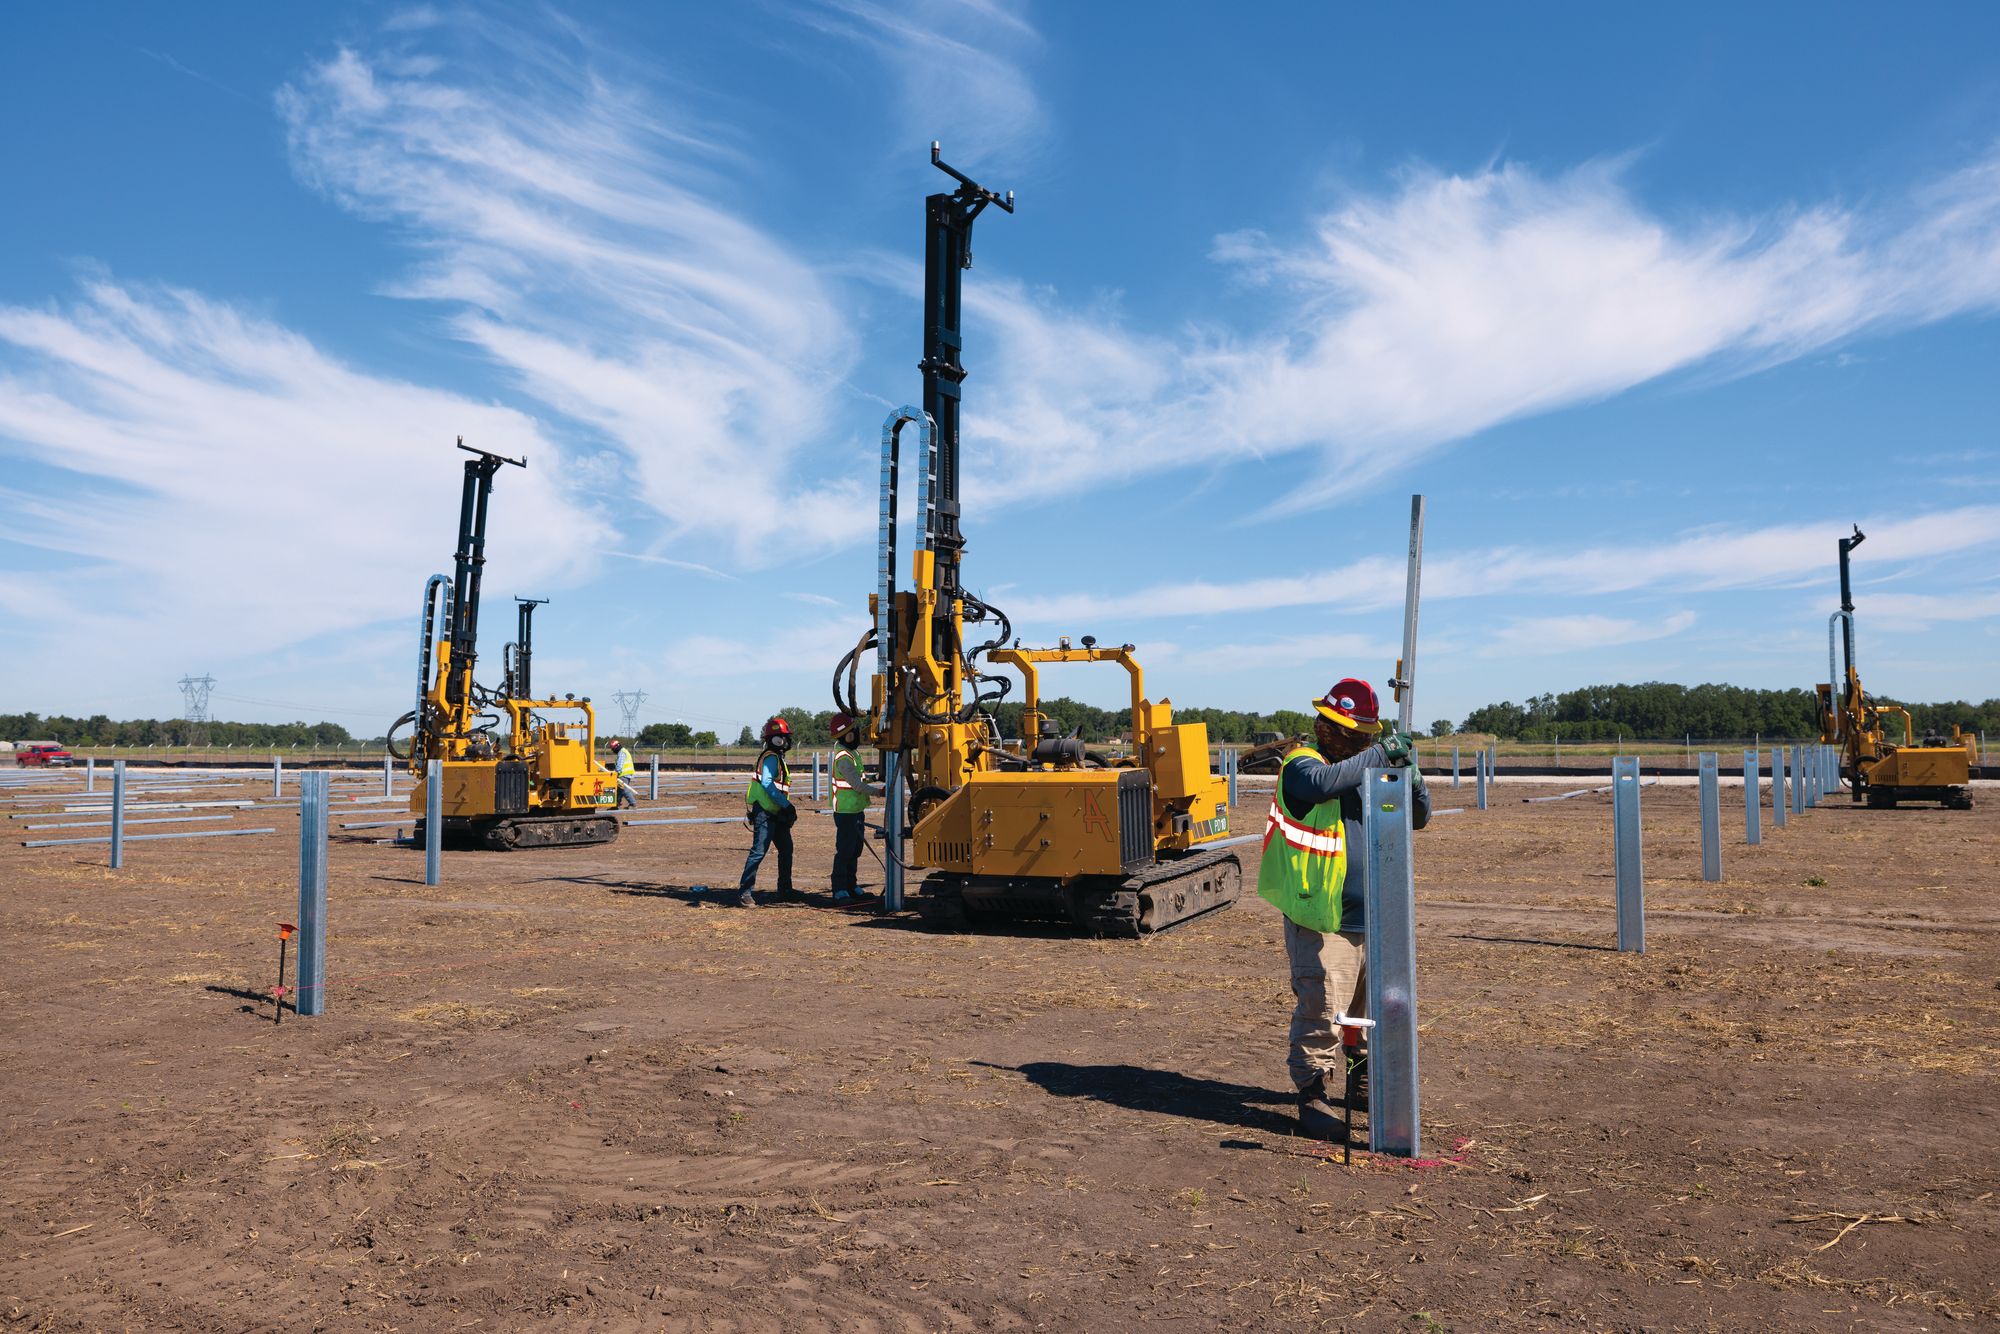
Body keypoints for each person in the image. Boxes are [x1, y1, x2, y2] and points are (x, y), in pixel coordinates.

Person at [1260, 677, 1430, 1140]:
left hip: (1375, 916)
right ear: (1325, 727)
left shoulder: (1364, 770)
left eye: (1368, 738)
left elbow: (1417, 818)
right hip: (1322, 916)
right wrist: (1379, 756)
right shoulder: (1302, 765)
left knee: (1370, 1011)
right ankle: (1313, 1092)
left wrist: (1412, 781)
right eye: (1355, 736)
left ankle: (1361, 1081)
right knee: (1322, 1010)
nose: (1361, 745)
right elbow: (1322, 785)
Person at [736, 715, 796, 907]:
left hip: (776, 811)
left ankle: (785, 890)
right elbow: (768, 784)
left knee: (786, 849)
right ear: (776, 739)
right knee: (759, 851)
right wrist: (787, 805)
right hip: (765, 812)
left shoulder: (777, 758)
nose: (786, 740)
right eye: (783, 736)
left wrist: (784, 807)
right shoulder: (771, 757)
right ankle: (745, 893)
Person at [827, 713, 882, 904]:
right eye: (854, 731)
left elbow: (860, 778)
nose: (858, 734)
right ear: (847, 735)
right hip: (846, 811)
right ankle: (839, 889)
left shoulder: (852, 754)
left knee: (855, 850)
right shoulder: (843, 757)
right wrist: (879, 792)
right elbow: (856, 785)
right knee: (845, 851)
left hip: (856, 810)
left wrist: (875, 778)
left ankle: (851, 886)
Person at [607, 737, 638, 809]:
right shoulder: (624, 751)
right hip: (625, 774)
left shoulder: (621, 753)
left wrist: (616, 773)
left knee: (624, 789)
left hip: (623, 775)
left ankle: (633, 804)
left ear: (616, 747)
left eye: (613, 749)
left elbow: (619, 765)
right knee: (619, 789)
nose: (612, 750)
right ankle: (616, 804)